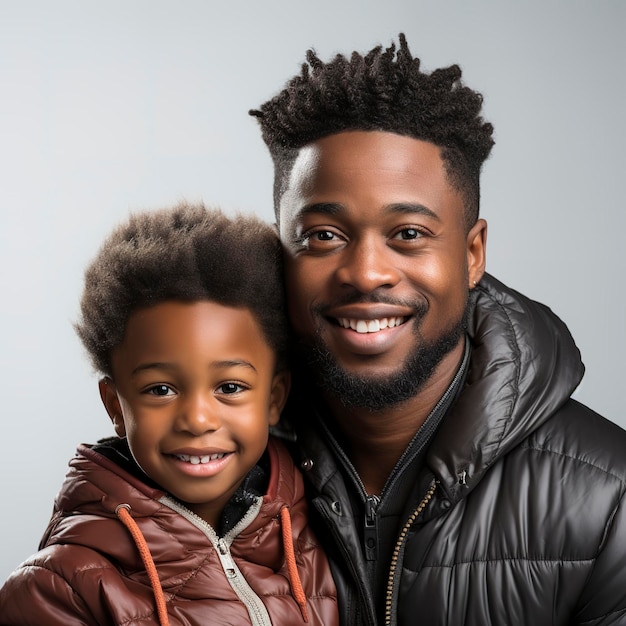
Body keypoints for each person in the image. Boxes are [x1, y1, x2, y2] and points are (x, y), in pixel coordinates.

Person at [250, 34, 626, 625]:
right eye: (323, 235)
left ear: (472, 253)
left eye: (408, 235)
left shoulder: (609, 504)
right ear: (278, 252)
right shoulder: (196, 467)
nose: (366, 273)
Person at [0, 203, 338, 625]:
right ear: (115, 406)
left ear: (274, 397)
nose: (197, 420)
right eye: (160, 390)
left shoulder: (324, 526)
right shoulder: (58, 590)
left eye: (229, 388)